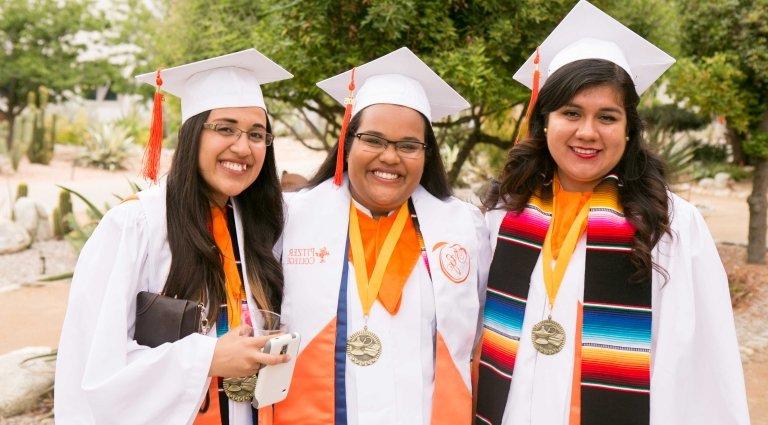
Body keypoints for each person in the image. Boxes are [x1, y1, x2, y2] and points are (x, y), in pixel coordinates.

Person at [475, 2, 750, 424]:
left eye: (607, 116)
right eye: (570, 113)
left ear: (628, 128)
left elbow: (702, 368)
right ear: (544, 121)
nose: (587, 132)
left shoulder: (669, 226)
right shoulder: (503, 215)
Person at [55, 49, 293, 424]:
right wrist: (207, 359)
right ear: (192, 134)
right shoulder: (135, 226)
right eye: (225, 128)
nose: (243, 147)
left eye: (257, 134)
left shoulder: (263, 226)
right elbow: (95, 368)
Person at [271, 47, 491, 424]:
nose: (390, 157)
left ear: (426, 153)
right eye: (373, 140)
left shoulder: (463, 229)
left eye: (408, 146)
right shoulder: (290, 220)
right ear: (347, 141)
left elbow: (476, 339)